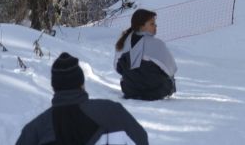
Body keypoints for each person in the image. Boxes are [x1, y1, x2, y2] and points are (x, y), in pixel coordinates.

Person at [15, 52, 148, 145]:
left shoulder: (34, 130)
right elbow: (140, 139)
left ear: (55, 88)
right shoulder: (112, 112)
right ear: (82, 84)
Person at [114, 9, 177, 101]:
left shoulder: (124, 42)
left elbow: (117, 68)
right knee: (169, 78)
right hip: (156, 92)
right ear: (142, 26)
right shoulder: (157, 44)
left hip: (130, 90)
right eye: (152, 24)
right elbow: (171, 69)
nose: (156, 26)